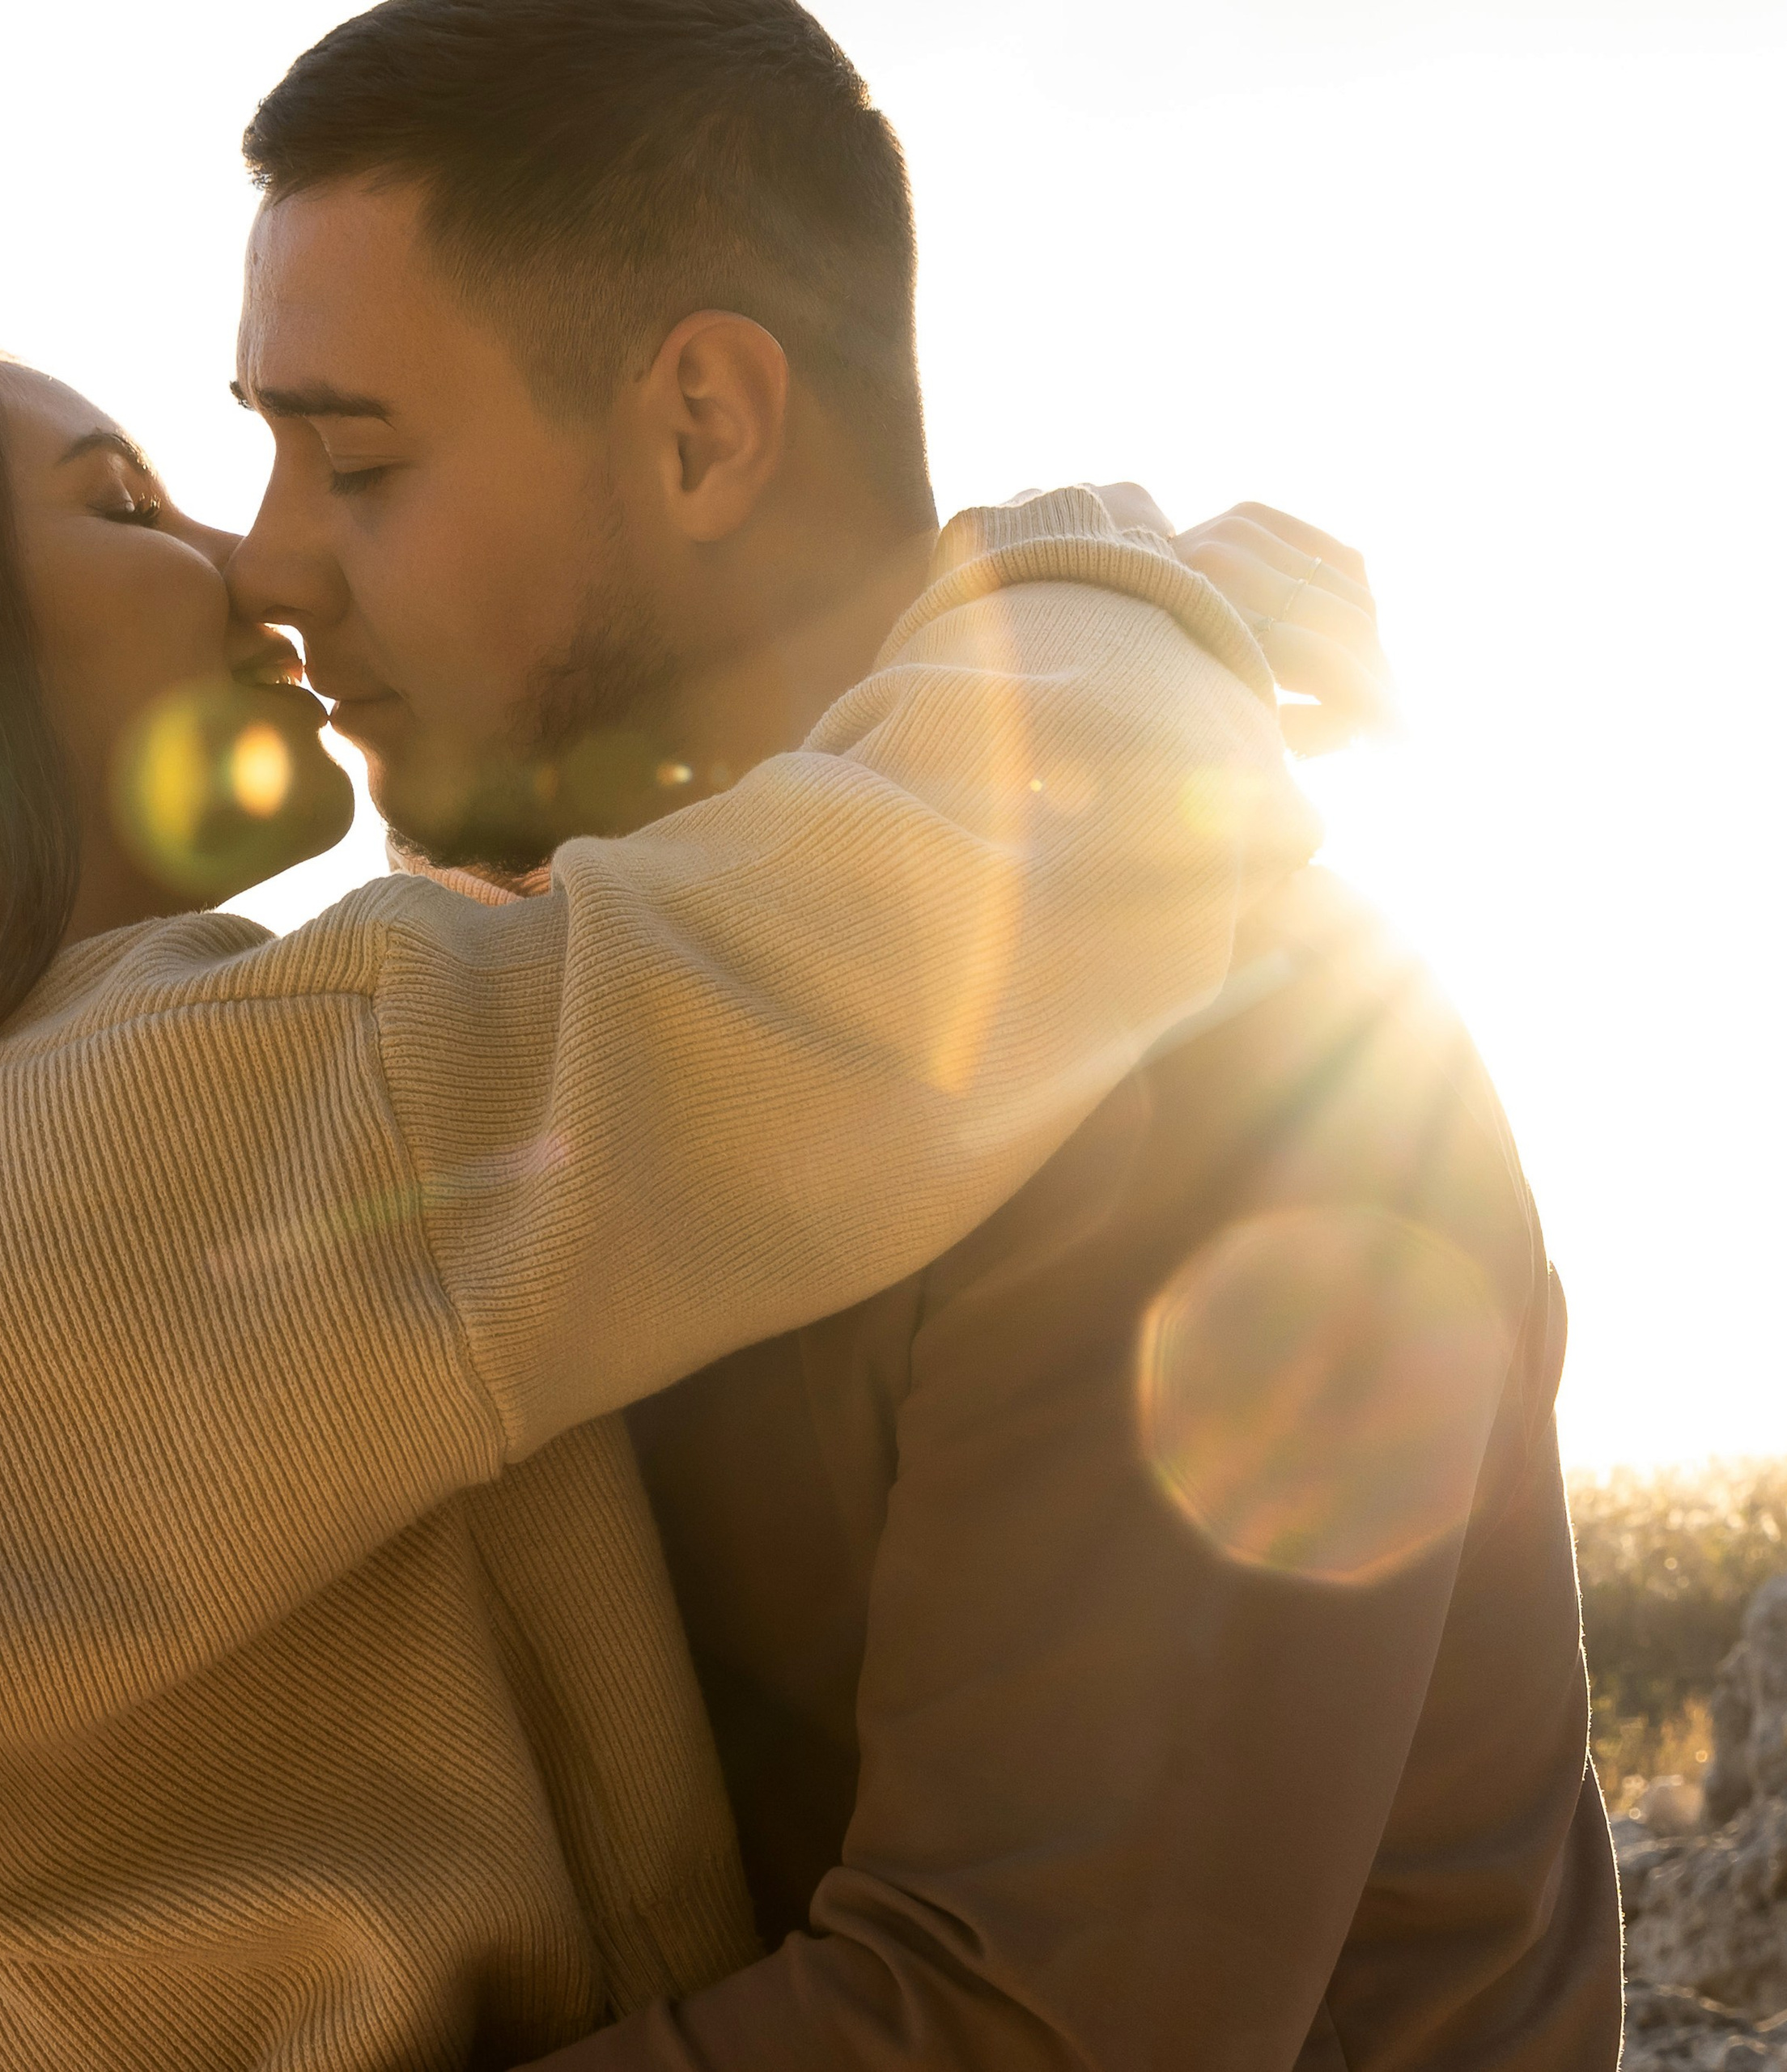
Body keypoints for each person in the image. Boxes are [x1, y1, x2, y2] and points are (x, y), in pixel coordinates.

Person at [226, 2, 1624, 2066]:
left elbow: (1020, 2023)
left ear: (699, 423)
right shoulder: (560, 1006)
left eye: (354, 458)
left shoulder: (1235, 1042)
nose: (265, 563)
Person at [0, 304, 1310, 2072]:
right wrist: (1098, 582)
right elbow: (962, 918)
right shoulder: (239, 1103)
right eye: (128, 508)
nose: (248, 561)